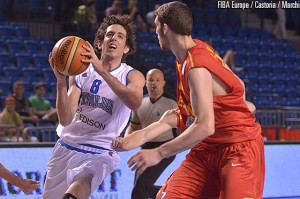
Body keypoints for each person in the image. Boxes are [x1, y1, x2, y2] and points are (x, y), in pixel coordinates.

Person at [113, 2, 264, 199]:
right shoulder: (193, 53)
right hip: (205, 152)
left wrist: (158, 153)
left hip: (238, 151)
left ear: (165, 28)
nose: (155, 32)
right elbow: (239, 87)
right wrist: (123, 143)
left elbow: (205, 127)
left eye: (156, 26)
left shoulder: (196, 68)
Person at [43, 14, 145, 199]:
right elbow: (65, 119)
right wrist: (61, 82)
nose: (113, 38)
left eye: (120, 36)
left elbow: (135, 102)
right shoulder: (81, 72)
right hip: (66, 146)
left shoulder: (132, 76)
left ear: (126, 48)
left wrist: (101, 70)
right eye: (109, 34)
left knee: (76, 191)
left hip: (100, 151)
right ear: (99, 43)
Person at [124, 68, 177, 199]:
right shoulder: (140, 103)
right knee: (140, 189)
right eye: (151, 80)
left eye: (158, 80)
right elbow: (133, 126)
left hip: (165, 149)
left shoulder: (172, 103)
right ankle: (168, 193)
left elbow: (184, 130)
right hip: (146, 148)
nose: (154, 83)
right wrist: (125, 142)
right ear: (146, 83)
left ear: (163, 83)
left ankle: (170, 193)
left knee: (140, 188)